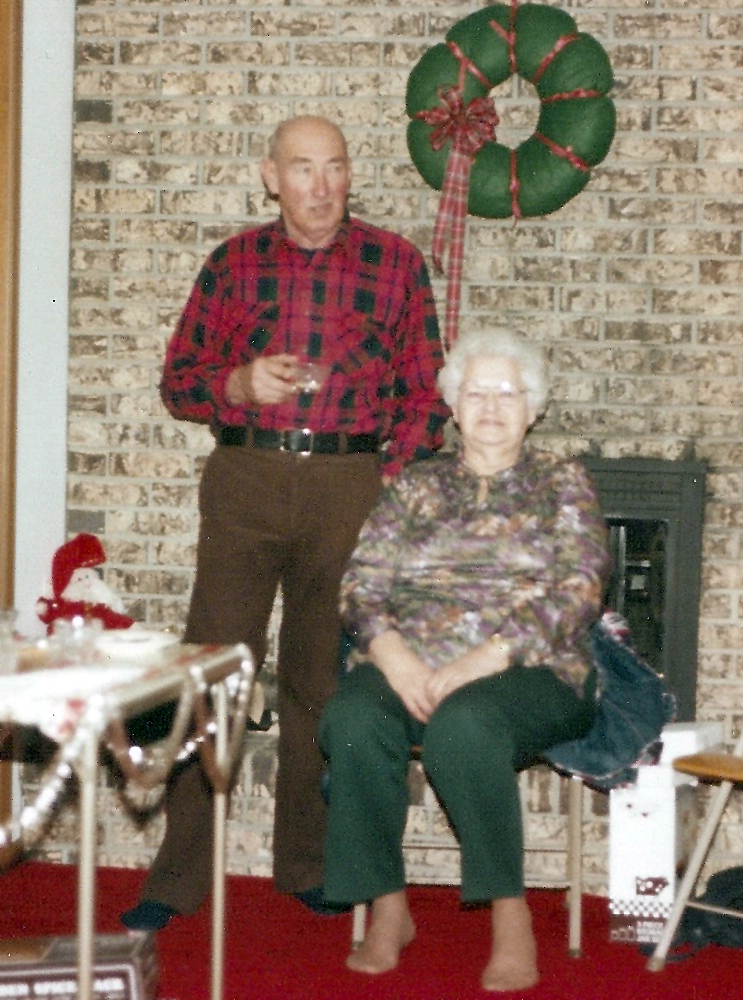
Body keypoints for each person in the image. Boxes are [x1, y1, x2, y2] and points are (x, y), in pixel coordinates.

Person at [120, 115, 448, 930]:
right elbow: (179, 382)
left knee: (319, 684)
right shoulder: (233, 263)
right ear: (271, 176)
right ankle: (178, 874)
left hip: (348, 481)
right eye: (302, 169)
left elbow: (425, 398)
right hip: (246, 476)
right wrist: (239, 384)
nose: (321, 186)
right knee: (212, 674)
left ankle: (306, 862)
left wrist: (384, 479)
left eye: (334, 167)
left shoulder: (396, 263)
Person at [320, 328, 610, 992]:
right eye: (475, 392)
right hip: (413, 663)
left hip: (531, 670)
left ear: (533, 407)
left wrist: (481, 660)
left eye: (507, 392)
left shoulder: (561, 481)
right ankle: (387, 907)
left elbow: (580, 588)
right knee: (352, 719)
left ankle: (510, 915)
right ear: (452, 405)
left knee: (465, 725)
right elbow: (362, 583)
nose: (490, 406)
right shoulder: (415, 487)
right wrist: (391, 658)